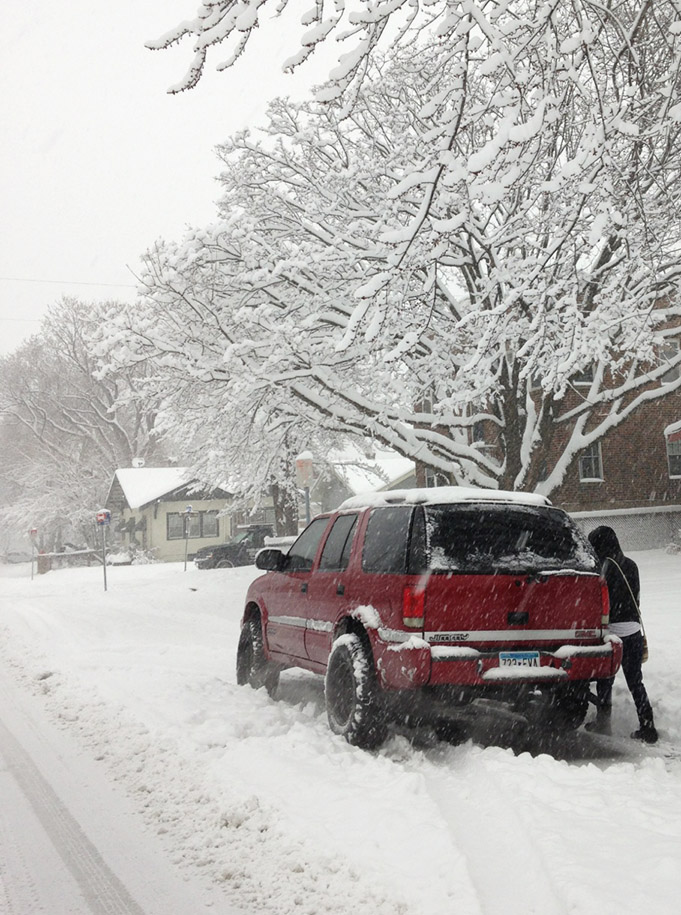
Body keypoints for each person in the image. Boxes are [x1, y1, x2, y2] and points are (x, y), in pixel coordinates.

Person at [586, 526, 658, 744]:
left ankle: (603, 722)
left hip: (612, 633)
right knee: (636, 681)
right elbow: (636, 598)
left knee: (605, 679)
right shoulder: (631, 565)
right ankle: (648, 726)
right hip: (633, 631)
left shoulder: (600, 568)